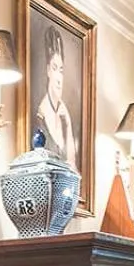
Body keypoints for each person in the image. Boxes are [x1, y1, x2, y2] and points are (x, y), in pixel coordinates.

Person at [33, 25, 74, 165]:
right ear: (48, 70)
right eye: (54, 68)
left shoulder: (64, 115)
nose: (59, 77)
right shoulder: (40, 116)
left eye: (61, 70)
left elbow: (72, 166)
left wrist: (68, 125)